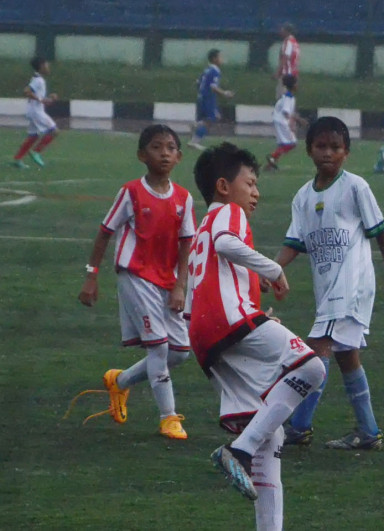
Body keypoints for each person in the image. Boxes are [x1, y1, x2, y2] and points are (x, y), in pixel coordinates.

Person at [186, 143, 326, 529]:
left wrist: (259, 314)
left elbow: (198, 290)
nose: (256, 192)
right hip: (226, 322)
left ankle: (253, 467)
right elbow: (228, 244)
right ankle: (239, 451)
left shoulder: (202, 227)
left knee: (272, 436)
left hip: (206, 336)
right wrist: (273, 270)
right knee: (312, 369)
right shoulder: (227, 214)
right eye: (250, 182)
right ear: (223, 186)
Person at [277, 117, 384, 450]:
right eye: (321, 146)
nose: (328, 153)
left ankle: (299, 426)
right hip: (328, 289)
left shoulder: (355, 187)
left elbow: (381, 232)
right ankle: (368, 430)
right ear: (309, 150)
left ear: (346, 152)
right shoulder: (303, 197)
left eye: (336, 147)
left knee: (315, 352)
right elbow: (295, 242)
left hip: (352, 285)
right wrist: (274, 269)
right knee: (347, 356)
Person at [76, 124, 195, 440]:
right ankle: (168, 417)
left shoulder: (184, 198)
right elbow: (105, 233)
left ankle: (120, 382)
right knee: (158, 347)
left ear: (179, 156)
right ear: (143, 155)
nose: (165, 153)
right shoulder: (131, 192)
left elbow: (187, 244)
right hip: (135, 275)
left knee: (180, 352)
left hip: (167, 280)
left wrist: (181, 285)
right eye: (157, 147)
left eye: (171, 147)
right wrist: (92, 275)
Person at [11, 57, 58, 169]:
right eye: (46, 64)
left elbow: (36, 96)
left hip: (33, 110)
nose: (48, 67)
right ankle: (36, 152)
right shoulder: (38, 80)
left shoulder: (38, 78)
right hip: (36, 112)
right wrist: (40, 100)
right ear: (41, 66)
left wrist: (47, 99)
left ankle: (18, 159)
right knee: (54, 131)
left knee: (33, 136)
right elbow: (27, 91)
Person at [188, 49, 234, 151]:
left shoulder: (207, 70)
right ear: (214, 59)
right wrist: (225, 93)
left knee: (211, 118)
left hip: (201, 97)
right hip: (208, 97)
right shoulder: (215, 71)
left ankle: (196, 130)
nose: (222, 59)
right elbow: (213, 86)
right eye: (220, 57)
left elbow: (197, 82)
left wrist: (201, 92)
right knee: (209, 120)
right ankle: (194, 140)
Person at [266, 74, 307, 170]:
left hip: (279, 120)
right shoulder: (288, 98)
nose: (298, 85)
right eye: (296, 83)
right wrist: (299, 120)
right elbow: (286, 113)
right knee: (291, 143)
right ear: (293, 85)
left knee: (282, 144)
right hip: (281, 121)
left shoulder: (288, 96)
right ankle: (272, 156)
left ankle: (270, 165)